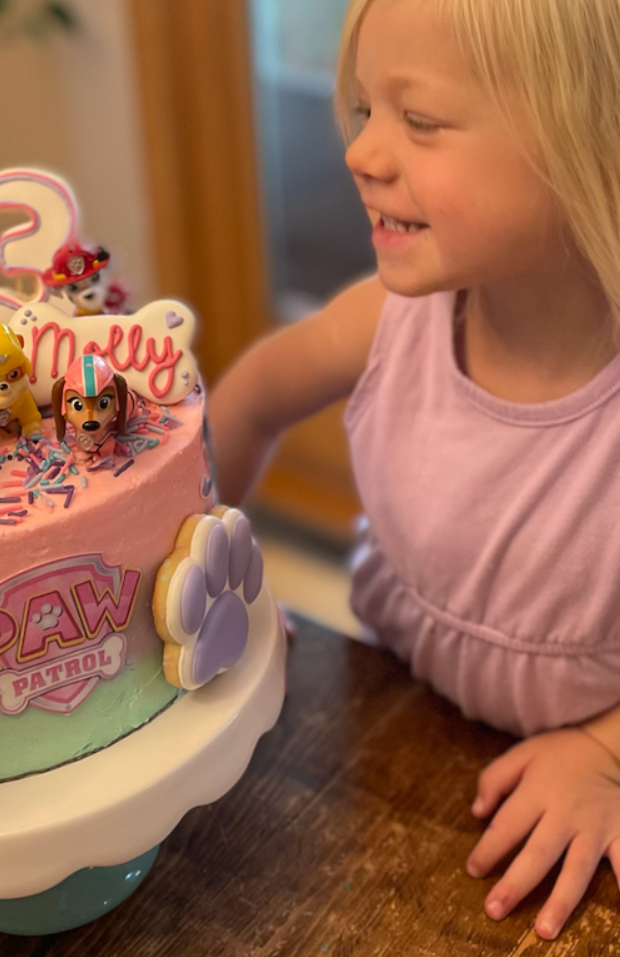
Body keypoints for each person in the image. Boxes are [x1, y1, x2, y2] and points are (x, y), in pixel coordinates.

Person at [207, 0, 620, 941]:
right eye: (363, 110)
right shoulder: (386, 323)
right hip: (386, 717)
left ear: (589, 141)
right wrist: (189, 578)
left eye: (418, 120)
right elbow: (252, 398)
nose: (361, 151)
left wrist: (602, 754)